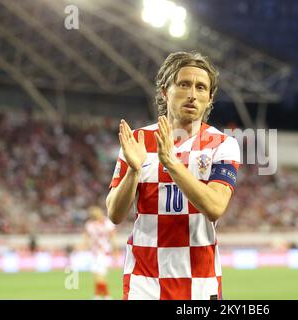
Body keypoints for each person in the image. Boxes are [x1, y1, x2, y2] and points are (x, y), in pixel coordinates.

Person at [106, 51, 240, 300]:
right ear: (165, 91)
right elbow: (114, 214)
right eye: (184, 84)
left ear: (209, 99)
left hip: (200, 282)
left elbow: (215, 207)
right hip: (143, 282)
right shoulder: (138, 140)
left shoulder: (223, 145)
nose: (192, 94)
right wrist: (134, 171)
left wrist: (170, 162)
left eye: (201, 88)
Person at [82, 205, 118, 299]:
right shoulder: (107, 223)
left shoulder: (91, 224)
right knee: (97, 276)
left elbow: (86, 238)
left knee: (99, 276)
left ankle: (106, 296)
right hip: (97, 253)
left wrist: (115, 252)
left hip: (103, 253)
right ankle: (98, 296)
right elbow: (113, 239)